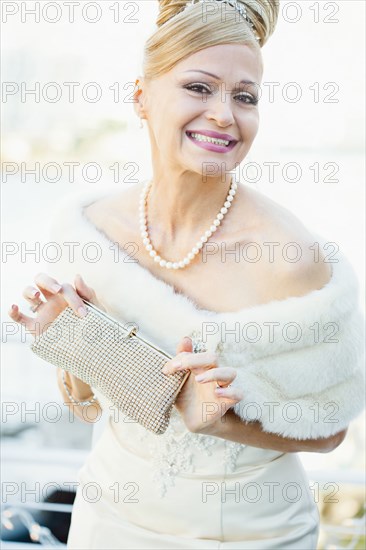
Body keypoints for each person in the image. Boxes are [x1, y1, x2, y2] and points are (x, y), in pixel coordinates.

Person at [9, 1, 364, 548]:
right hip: (110, 516)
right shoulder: (90, 230)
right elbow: (85, 406)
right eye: (200, 88)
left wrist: (226, 421)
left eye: (244, 97)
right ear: (141, 97)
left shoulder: (289, 258)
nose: (225, 114)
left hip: (247, 532)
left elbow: (329, 429)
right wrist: (70, 340)